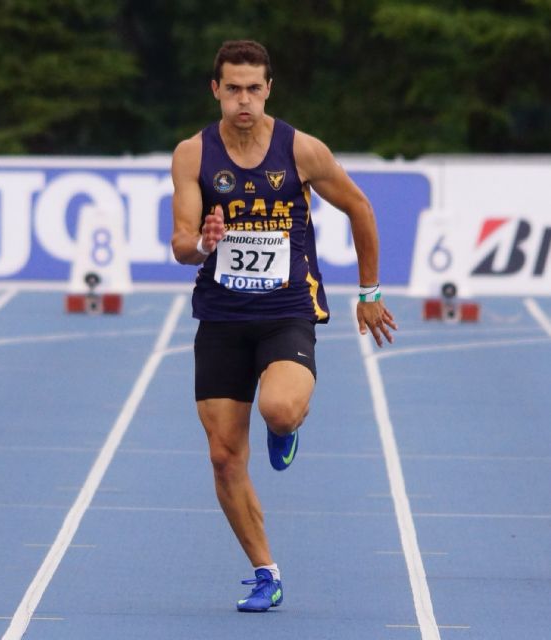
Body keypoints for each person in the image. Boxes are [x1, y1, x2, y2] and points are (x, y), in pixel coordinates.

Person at [171, 39, 397, 612]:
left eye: (253, 88)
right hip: (220, 317)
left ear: (268, 89)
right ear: (215, 89)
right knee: (224, 456)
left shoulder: (302, 151)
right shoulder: (193, 155)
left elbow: (360, 209)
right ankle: (266, 570)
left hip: (287, 312)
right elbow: (180, 243)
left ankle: (283, 428)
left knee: (279, 408)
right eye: (232, 89)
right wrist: (203, 243)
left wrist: (369, 293)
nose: (243, 100)